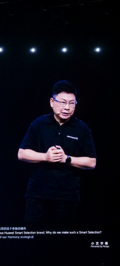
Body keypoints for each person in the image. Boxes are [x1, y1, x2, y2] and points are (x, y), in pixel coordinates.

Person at [18, 80, 96, 223]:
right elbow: (21, 153)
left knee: (62, 236)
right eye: (63, 102)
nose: (67, 107)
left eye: (72, 103)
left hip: (67, 198)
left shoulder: (82, 128)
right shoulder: (39, 124)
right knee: (33, 235)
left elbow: (91, 162)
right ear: (52, 102)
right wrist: (45, 157)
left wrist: (66, 158)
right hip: (37, 196)